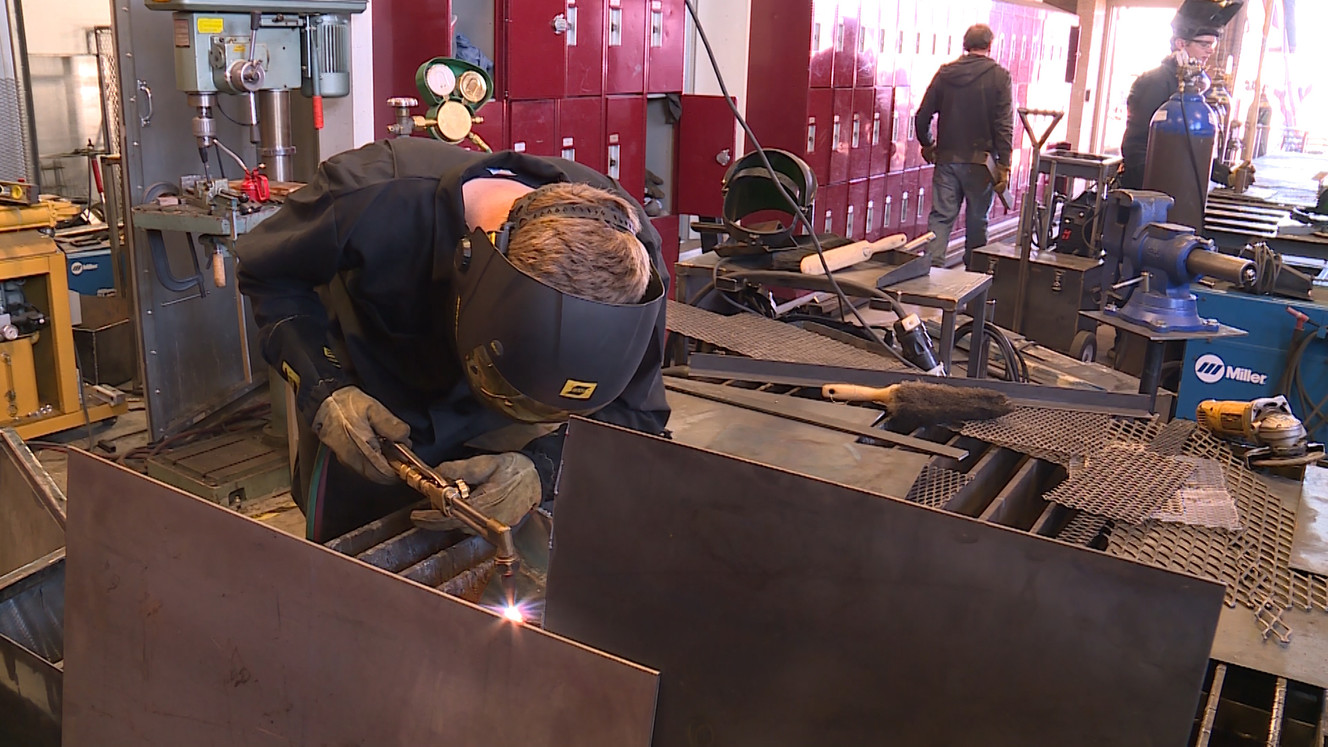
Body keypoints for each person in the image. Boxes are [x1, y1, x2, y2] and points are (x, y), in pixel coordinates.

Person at [236, 138, 669, 542]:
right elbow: (270, 277)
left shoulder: (630, 261)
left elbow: (637, 413)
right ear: (475, 275)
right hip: (370, 410)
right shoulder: (367, 198)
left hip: (502, 438)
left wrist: (544, 467)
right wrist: (324, 387)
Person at [914, 23, 1013, 269]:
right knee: (977, 222)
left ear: (965, 45)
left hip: (947, 159)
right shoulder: (1000, 76)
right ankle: (972, 284)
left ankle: (930, 274)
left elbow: (922, 115)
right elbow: (1004, 125)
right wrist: (1004, 164)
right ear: (990, 45)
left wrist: (927, 144)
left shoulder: (945, 74)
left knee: (940, 219)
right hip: (981, 163)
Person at [1119, 24, 1226, 189]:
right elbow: (1136, 146)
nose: (1210, 51)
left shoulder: (1192, 85)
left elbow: (1191, 145)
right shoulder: (1155, 82)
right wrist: (1156, 188)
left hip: (1179, 184)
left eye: (1212, 45)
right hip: (1148, 188)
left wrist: (1221, 173)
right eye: (1204, 45)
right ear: (1181, 44)